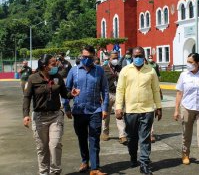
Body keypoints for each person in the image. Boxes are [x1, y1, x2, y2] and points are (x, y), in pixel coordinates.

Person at [22, 54, 80, 175]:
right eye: (53, 64)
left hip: (55, 116)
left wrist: (72, 94)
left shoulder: (57, 77)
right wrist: (26, 115)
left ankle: (55, 172)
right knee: (42, 148)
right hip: (39, 117)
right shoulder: (33, 78)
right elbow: (27, 97)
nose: (56, 66)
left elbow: (65, 94)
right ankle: (43, 172)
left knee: (55, 145)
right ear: (44, 66)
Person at [115, 46, 162, 175]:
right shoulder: (125, 71)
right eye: (136, 56)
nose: (138, 58)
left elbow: (156, 90)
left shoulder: (151, 71)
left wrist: (159, 107)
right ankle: (133, 157)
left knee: (145, 138)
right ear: (132, 56)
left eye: (140, 55)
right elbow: (120, 90)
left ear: (144, 56)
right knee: (131, 138)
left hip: (147, 110)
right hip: (130, 110)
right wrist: (118, 107)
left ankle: (144, 163)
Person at [65, 45, 109, 175]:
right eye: (84, 56)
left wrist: (105, 108)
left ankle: (95, 168)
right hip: (78, 111)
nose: (86, 59)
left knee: (94, 138)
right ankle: (85, 161)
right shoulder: (74, 71)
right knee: (82, 137)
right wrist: (67, 107)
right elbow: (66, 90)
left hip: (95, 110)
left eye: (89, 57)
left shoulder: (99, 71)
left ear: (94, 56)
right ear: (81, 56)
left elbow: (105, 90)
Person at [173, 53, 199, 174]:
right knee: (187, 133)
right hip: (187, 107)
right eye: (187, 61)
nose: (188, 64)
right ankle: (185, 153)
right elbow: (179, 93)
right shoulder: (183, 75)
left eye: (191, 62)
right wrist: (176, 110)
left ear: (197, 63)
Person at [101, 51, 127, 144]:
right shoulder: (103, 69)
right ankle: (105, 133)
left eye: (117, 58)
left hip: (118, 94)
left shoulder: (120, 68)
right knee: (105, 115)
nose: (115, 60)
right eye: (113, 58)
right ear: (109, 59)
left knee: (120, 114)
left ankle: (122, 135)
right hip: (107, 94)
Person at [147, 55, 162, 143]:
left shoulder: (154, 66)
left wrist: (159, 106)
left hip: (151, 98)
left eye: (151, 57)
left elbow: (158, 73)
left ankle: (151, 133)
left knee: (151, 115)